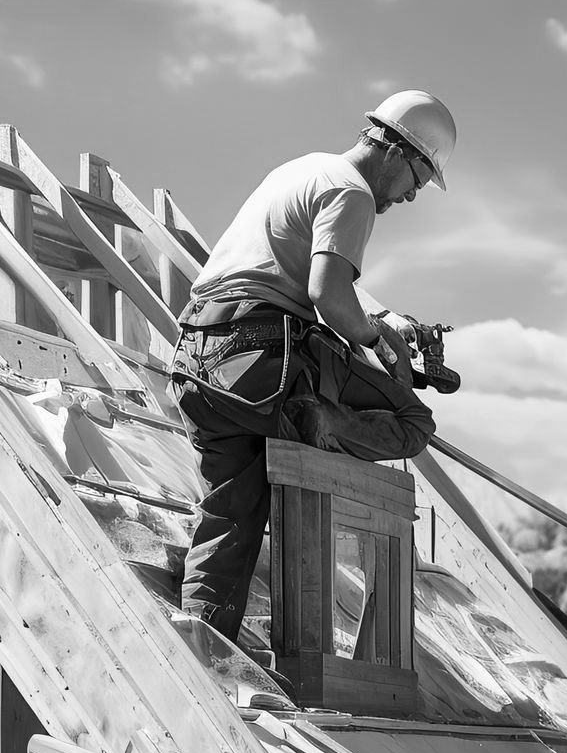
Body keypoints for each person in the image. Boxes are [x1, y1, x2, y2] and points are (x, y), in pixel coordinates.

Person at [172, 91, 454, 642]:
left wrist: (380, 317)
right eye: (418, 180)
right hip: (260, 357)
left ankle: (201, 641)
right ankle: (317, 422)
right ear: (397, 152)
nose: (412, 196)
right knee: (414, 422)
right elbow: (328, 294)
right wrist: (379, 340)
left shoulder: (304, 170)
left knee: (233, 511)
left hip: (198, 363)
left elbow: (308, 273)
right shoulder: (353, 195)